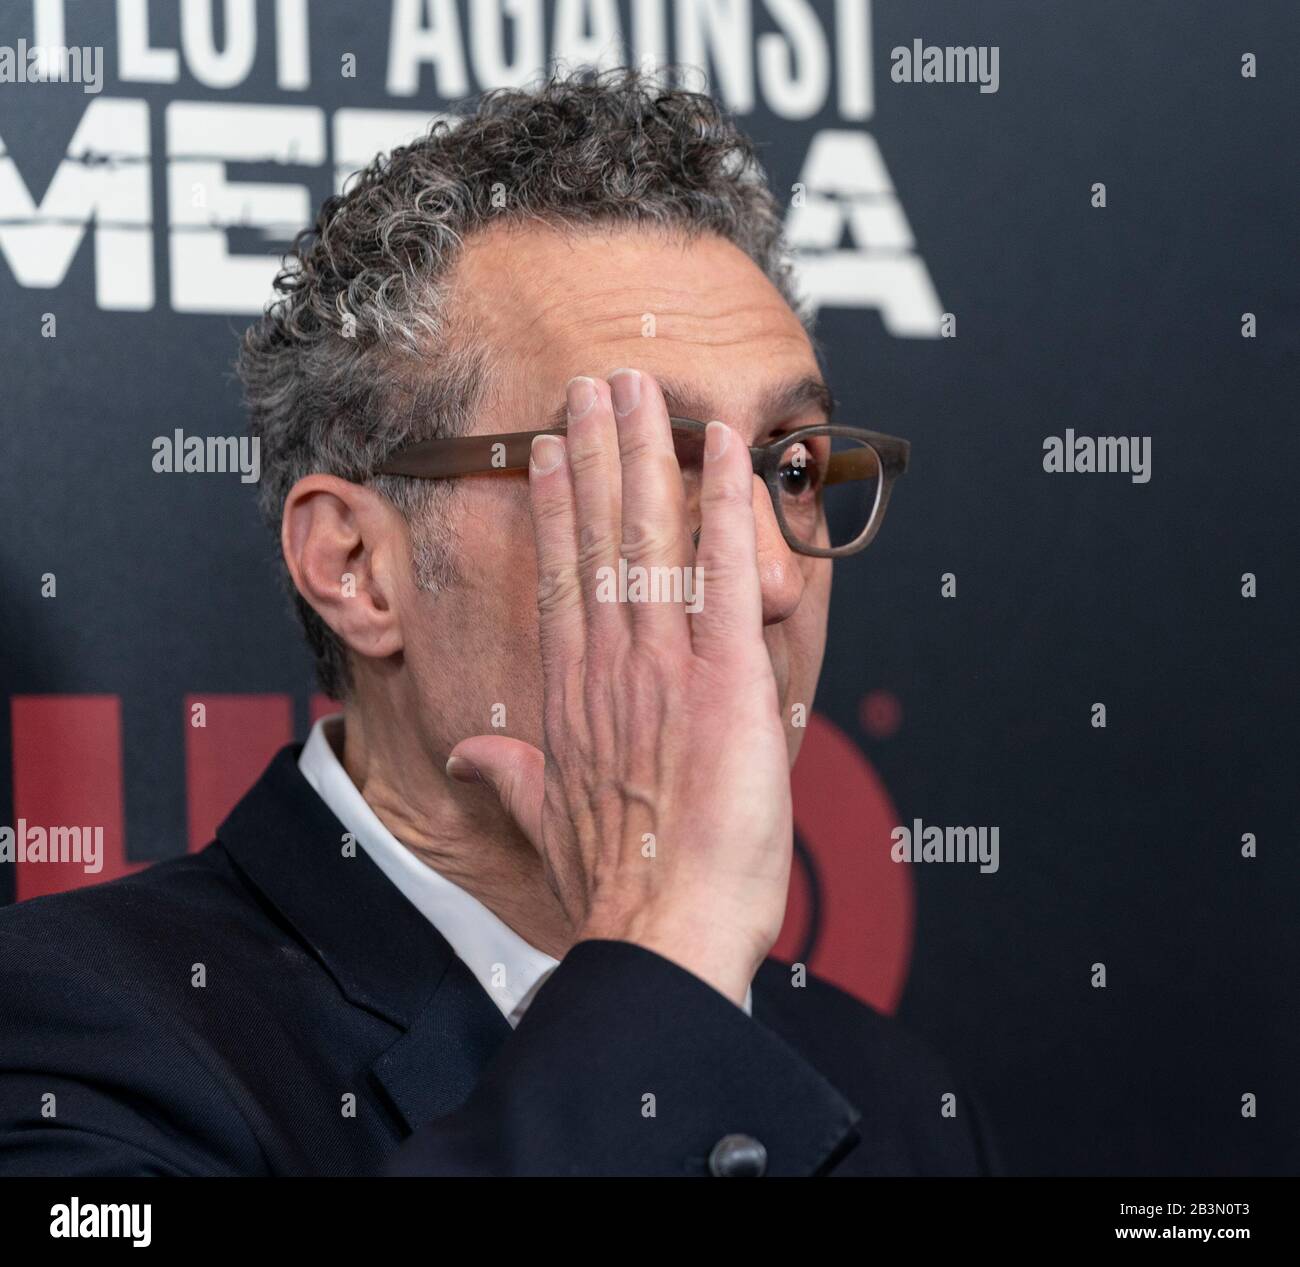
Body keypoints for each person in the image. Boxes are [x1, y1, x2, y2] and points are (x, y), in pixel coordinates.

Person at [0, 69, 997, 1177]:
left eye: (794, 467)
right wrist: (663, 951)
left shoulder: (896, 1103)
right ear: (358, 567)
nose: (766, 572)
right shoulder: (73, 1032)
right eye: (647, 471)